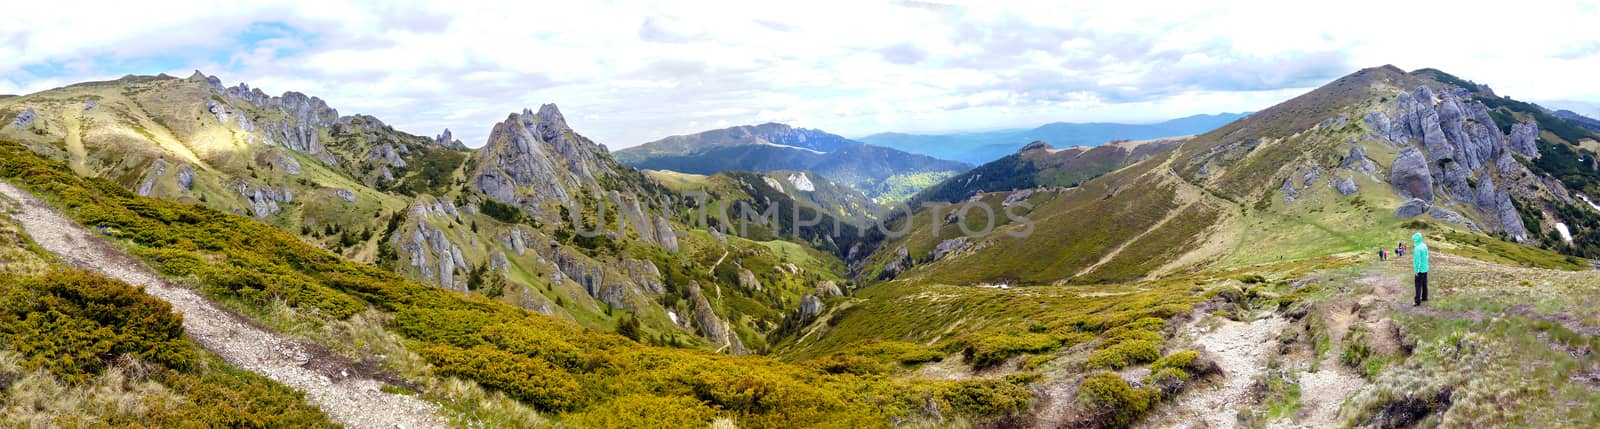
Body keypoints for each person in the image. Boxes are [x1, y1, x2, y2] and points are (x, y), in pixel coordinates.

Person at [1412, 232, 1429, 306]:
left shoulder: (1417, 248)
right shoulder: (1424, 245)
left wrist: (1416, 271)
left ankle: (1417, 301)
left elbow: (1417, 261)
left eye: (1414, 239)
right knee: (1424, 284)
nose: (1413, 240)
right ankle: (1425, 297)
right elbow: (1427, 256)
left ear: (1416, 239)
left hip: (1420, 270)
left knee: (1418, 285)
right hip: (1425, 269)